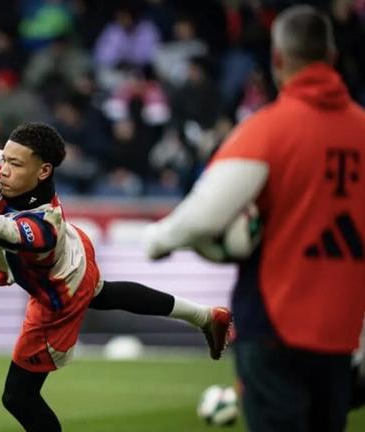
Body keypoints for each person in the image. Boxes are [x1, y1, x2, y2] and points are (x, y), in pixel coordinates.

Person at [0, 120, 232, 431]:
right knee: (104, 293)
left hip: (59, 292)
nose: (4, 168)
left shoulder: (42, 226)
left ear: (44, 171)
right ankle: (205, 316)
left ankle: (204, 317)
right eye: (5, 158)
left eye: (15, 164)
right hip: (74, 250)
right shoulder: (8, 164)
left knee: (18, 398)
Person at [140, 5, 365, 432]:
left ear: (277, 60)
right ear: (333, 58)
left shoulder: (268, 129)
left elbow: (203, 217)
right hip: (340, 333)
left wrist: (157, 240)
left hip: (275, 326)